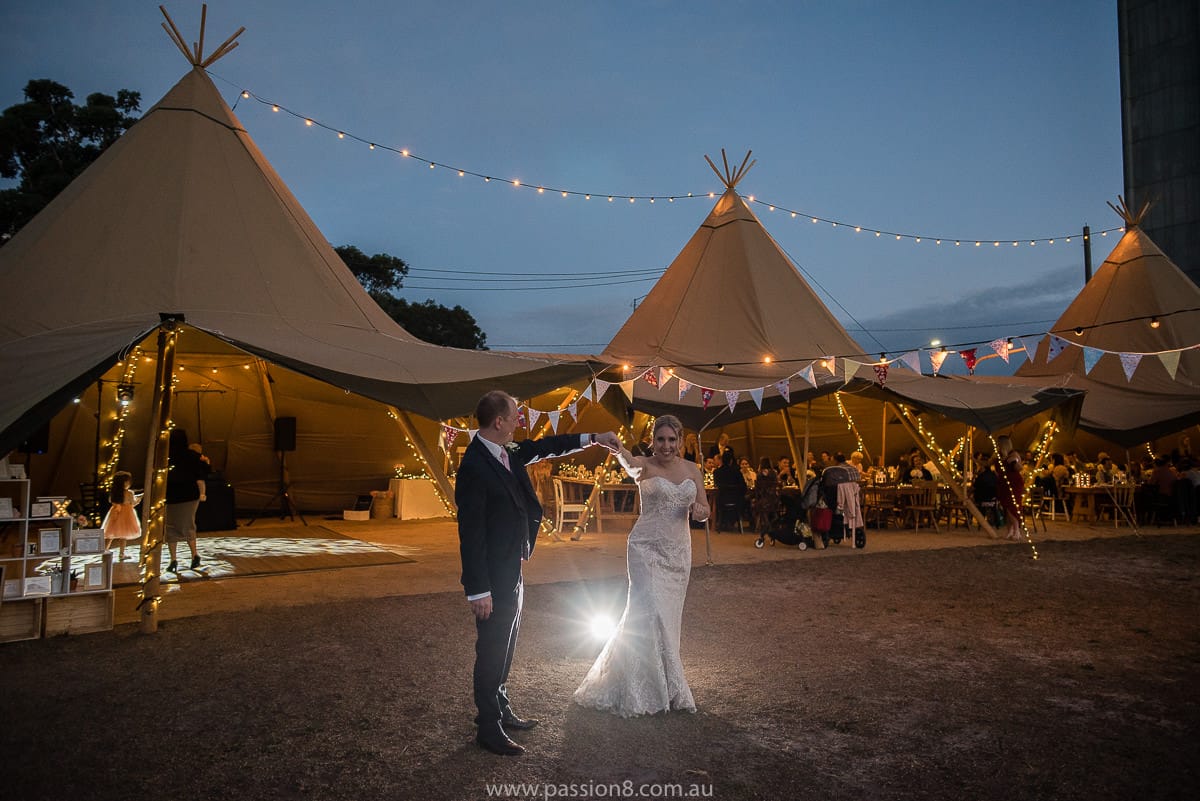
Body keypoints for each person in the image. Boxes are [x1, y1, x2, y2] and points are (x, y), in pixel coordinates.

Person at [457, 390, 619, 756]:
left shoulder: (507, 452)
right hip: (491, 575)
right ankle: (488, 726)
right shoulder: (474, 467)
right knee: (492, 645)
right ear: (498, 422)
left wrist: (592, 438)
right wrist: (477, 589)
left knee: (508, 642)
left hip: (511, 565)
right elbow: (470, 533)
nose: (520, 421)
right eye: (515, 416)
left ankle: (500, 705)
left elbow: (547, 446)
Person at [574, 414, 708, 717]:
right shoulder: (644, 466)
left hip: (678, 555)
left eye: (672, 440)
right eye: (660, 439)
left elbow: (703, 509)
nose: (666, 445)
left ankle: (668, 685)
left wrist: (701, 512)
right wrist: (616, 448)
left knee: (668, 619)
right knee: (648, 612)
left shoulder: (692, 470)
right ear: (653, 440)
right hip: (645, 550)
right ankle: (642, 688)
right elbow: (628, 461)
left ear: (680, 442)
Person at [164, 428, 208, 573]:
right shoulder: (192, 456)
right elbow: (203, 472)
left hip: (172, 496)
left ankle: (173, 559)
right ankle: (194, 554)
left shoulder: (166, 456)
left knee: (171, 527)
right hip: (190, 495)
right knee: (189, 524)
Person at [101, 470, 141, 561]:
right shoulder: (129, 493)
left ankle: (105, 551)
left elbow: (111, 501)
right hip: (127, 515)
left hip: (115, 513)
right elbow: (133, 503)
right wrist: (139, 498)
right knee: (123, 535)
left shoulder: (114, 492)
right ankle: (121, 554)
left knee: (110, 534)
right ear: (125, 482)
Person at [996, 435, 1024, 541]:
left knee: (1011, 506)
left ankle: (1016, 530)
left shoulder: (1013, 454)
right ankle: (1010, 530)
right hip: (1003, 484)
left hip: (1013, 483)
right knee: (1006, 507)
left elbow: (1019, 468)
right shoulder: (1000, 455)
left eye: (999, 443)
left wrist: (1013, 461)